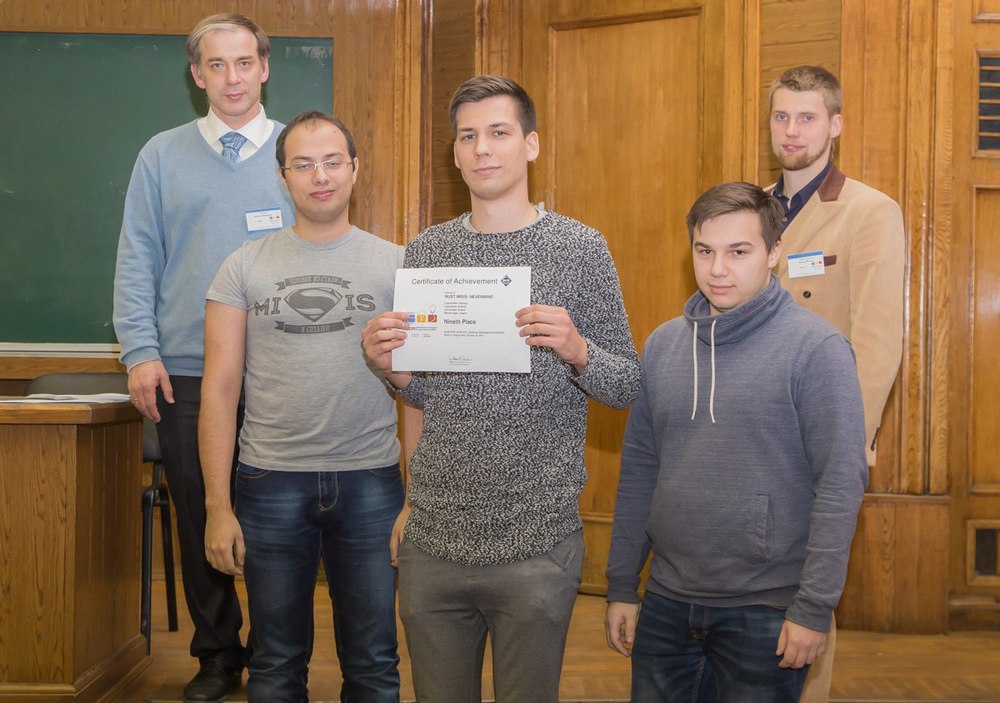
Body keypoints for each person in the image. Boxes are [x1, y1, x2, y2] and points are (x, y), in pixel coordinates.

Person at [361, 75, 641, 702]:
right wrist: (393, 369)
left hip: (536, 541)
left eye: (498, 132)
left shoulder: (580, 248)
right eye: (468, 136)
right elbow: (433, 394)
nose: (482, 148)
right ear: (455, 153)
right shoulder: (429, 251)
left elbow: (627, 385)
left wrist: (578, 350)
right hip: (434, 538)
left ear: (531, 144)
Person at [604, 182, 868, 702]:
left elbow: (840, 484)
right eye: (704, 251)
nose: (717, 269)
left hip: (765, 609)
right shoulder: (662, 346)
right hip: (665, 601)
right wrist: (621, 586)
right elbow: (640, 471)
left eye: (738, 252)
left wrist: (813, 609)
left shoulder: (818, 349)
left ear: (774, 252)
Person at [113, 13, 293, 701]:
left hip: (279, 371)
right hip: (185, 368)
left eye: (244, 62)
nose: (232, 77)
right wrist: (140, 351)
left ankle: (276, 655)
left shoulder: (298, 151)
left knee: (276, 519)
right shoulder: (160, 155)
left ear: (264, 67)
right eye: (216, 65)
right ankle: (218, 653)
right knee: (199, 515)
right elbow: (138, 258)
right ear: (197, 75)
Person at [200, 111, 404, 702]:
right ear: (283, 176)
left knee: (373, 662)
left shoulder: (399, 265)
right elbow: (219, 389)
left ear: (355, 169)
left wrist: (415, 499)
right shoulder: (243, 266)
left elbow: (419, 392)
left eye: (333, 162)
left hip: (371, 482)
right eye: (304, 164)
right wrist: (218, 507)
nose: (321, 176)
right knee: (274, 663)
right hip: (269, 482)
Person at [766, 64, 906, 702]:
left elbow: (877, 345)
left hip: (814, 441)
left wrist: (848, 445)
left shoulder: (869, 211)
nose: (792, 130)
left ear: (836, 124)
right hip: (742, 436)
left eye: (807, 117)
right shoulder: (748, 207)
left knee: (805, 614)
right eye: (781, 116)